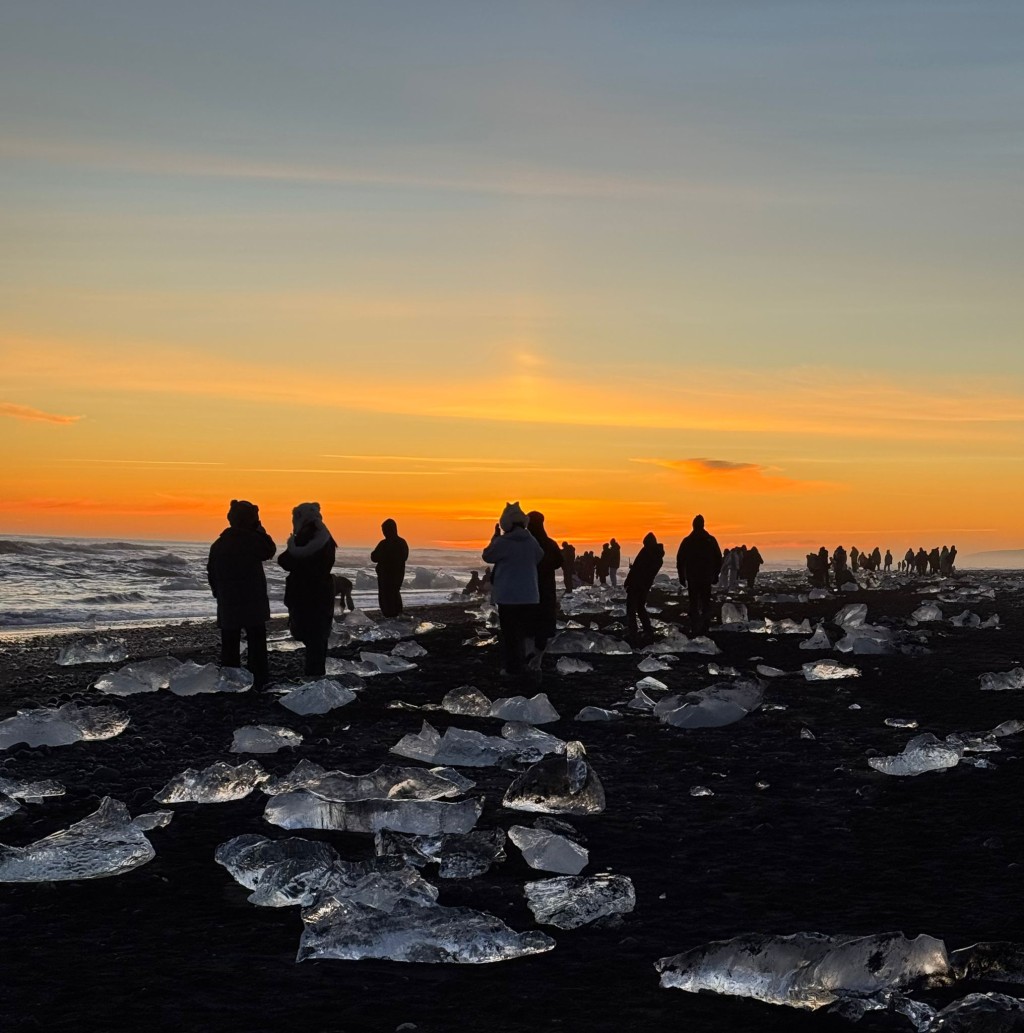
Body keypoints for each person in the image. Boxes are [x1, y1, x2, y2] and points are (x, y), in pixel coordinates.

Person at [206, 500, 276, 688]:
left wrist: (217, 593)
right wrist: (260, 530)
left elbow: (211, 572)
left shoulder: (219, 543)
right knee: (256, 641)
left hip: (228, 599)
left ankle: (230, 680)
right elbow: (269, 550)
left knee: (229, 642)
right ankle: (259, 679)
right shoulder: (251, 539)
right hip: (251, 599)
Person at [481, 502, 543, 679]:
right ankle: (527, 663)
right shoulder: (531, 541)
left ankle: (513, 668)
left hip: (508, 595)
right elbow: (540, 556)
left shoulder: (503, 542)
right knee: (525, 632)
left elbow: (487, 556)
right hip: (530, 594)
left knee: (510, 634)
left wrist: (494, 538)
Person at [278, 502, 336, 677]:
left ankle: (314, 676)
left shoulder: (304, 536)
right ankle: (316, 674)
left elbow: (285, 561)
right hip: (322, 592)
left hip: (305, 592)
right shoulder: (326, 537)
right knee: (318, 637)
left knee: (309, 633)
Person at [676, 514, 723, 636]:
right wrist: (716, 574)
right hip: (706, 576)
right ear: (703, 525)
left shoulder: (688, 541)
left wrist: (682, 576)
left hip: (693, 577)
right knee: (705, 602)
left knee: (694, 602)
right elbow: (719, 558)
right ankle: (704, 627)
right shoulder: (710, 540)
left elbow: (680, 559)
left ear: (693, 525)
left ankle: (695, 627)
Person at [527, 510, 564, 660]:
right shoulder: (550, 543)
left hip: (529, 587)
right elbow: (559, 562)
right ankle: (538, 656)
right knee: (543, 622)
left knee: (529, 622)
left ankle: (529, 655)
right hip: (546, 586)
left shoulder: (527, 544)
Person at [624, 532, 663, 644]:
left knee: (631, 609)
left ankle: (633, 633)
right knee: (640, 608)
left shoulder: (646, 553)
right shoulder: (658, 556)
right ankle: (647, 631)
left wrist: (628, 581)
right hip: (645, 585)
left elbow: (637, 569)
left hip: (637, 584)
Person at [370, 518, 409, 618]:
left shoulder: (389, 543)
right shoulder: (399, 542)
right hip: (390, 574)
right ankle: (392, 614)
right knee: (390, 594)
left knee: (390, 594)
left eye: (385, 530)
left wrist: (385, 557)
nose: (384, 532)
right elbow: (373, 557)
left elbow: (375, 556)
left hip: (390, 574)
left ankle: (393, 614)